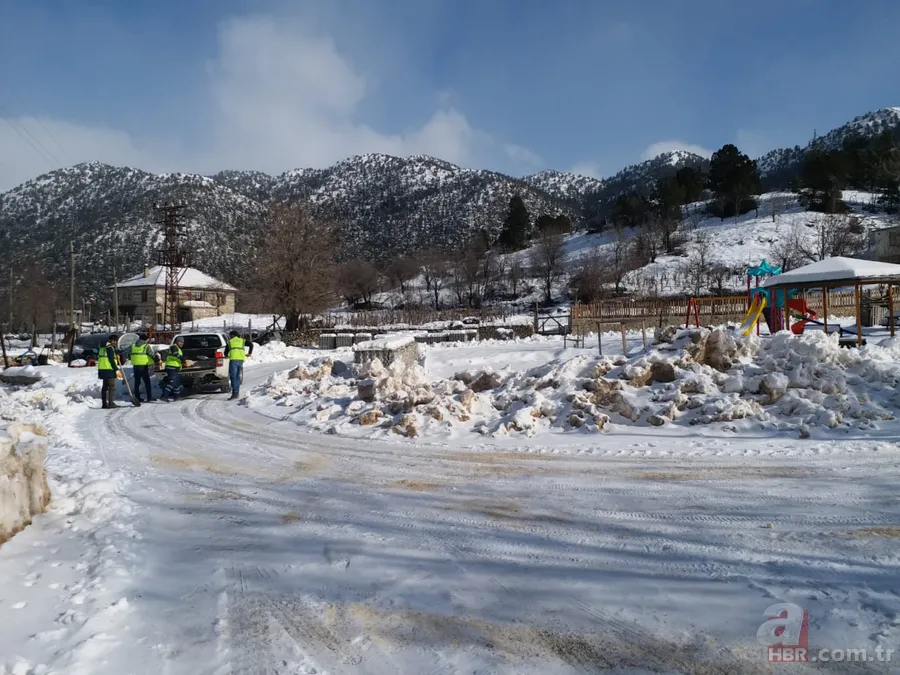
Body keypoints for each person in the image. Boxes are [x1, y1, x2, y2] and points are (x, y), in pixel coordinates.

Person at [226, 330, 253, 400]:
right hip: (241, 360)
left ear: (232, 336)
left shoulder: (230, 342)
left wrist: (228, 355)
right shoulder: (242, 341)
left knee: (233, 377)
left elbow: (225, 353)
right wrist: (249, 353)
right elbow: (251, 344)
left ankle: (235, 393)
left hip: (233, 361)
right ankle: (237, 392)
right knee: (237, 376)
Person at [97, 334, 120, 409]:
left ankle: (104, 403)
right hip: (109, 370)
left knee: (105, 387)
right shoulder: (110, 348)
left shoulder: (102, 348)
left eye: (116, 341)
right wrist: (116, 369)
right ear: (110, 341)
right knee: (111, 387)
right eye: (114, 341)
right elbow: (111, 360)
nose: (115, 342)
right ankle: (110, 403)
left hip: (102, 370)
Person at [130, 333, 154, 402]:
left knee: (137, 383)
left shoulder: (133, 346)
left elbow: (127, 353)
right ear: (144, 340)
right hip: (143, 366)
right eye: (146, 340)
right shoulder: (146, 346)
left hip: (135, 366)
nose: (147, 341)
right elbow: (151, 354)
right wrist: (156, 359)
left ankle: (137, 398)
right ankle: (149, 397)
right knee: (147, 382)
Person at [160, 336, 186, 402]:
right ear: (177, 342)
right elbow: (175, 354)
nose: (181, 343)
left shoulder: (179, 348)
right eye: (180, 342)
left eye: (182, 342)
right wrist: (182, 359)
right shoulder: (174, 347)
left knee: (177, 383)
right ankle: (164, 396)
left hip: (175, 368)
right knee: (172, 382)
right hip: (171, 367)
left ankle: (176, 397)